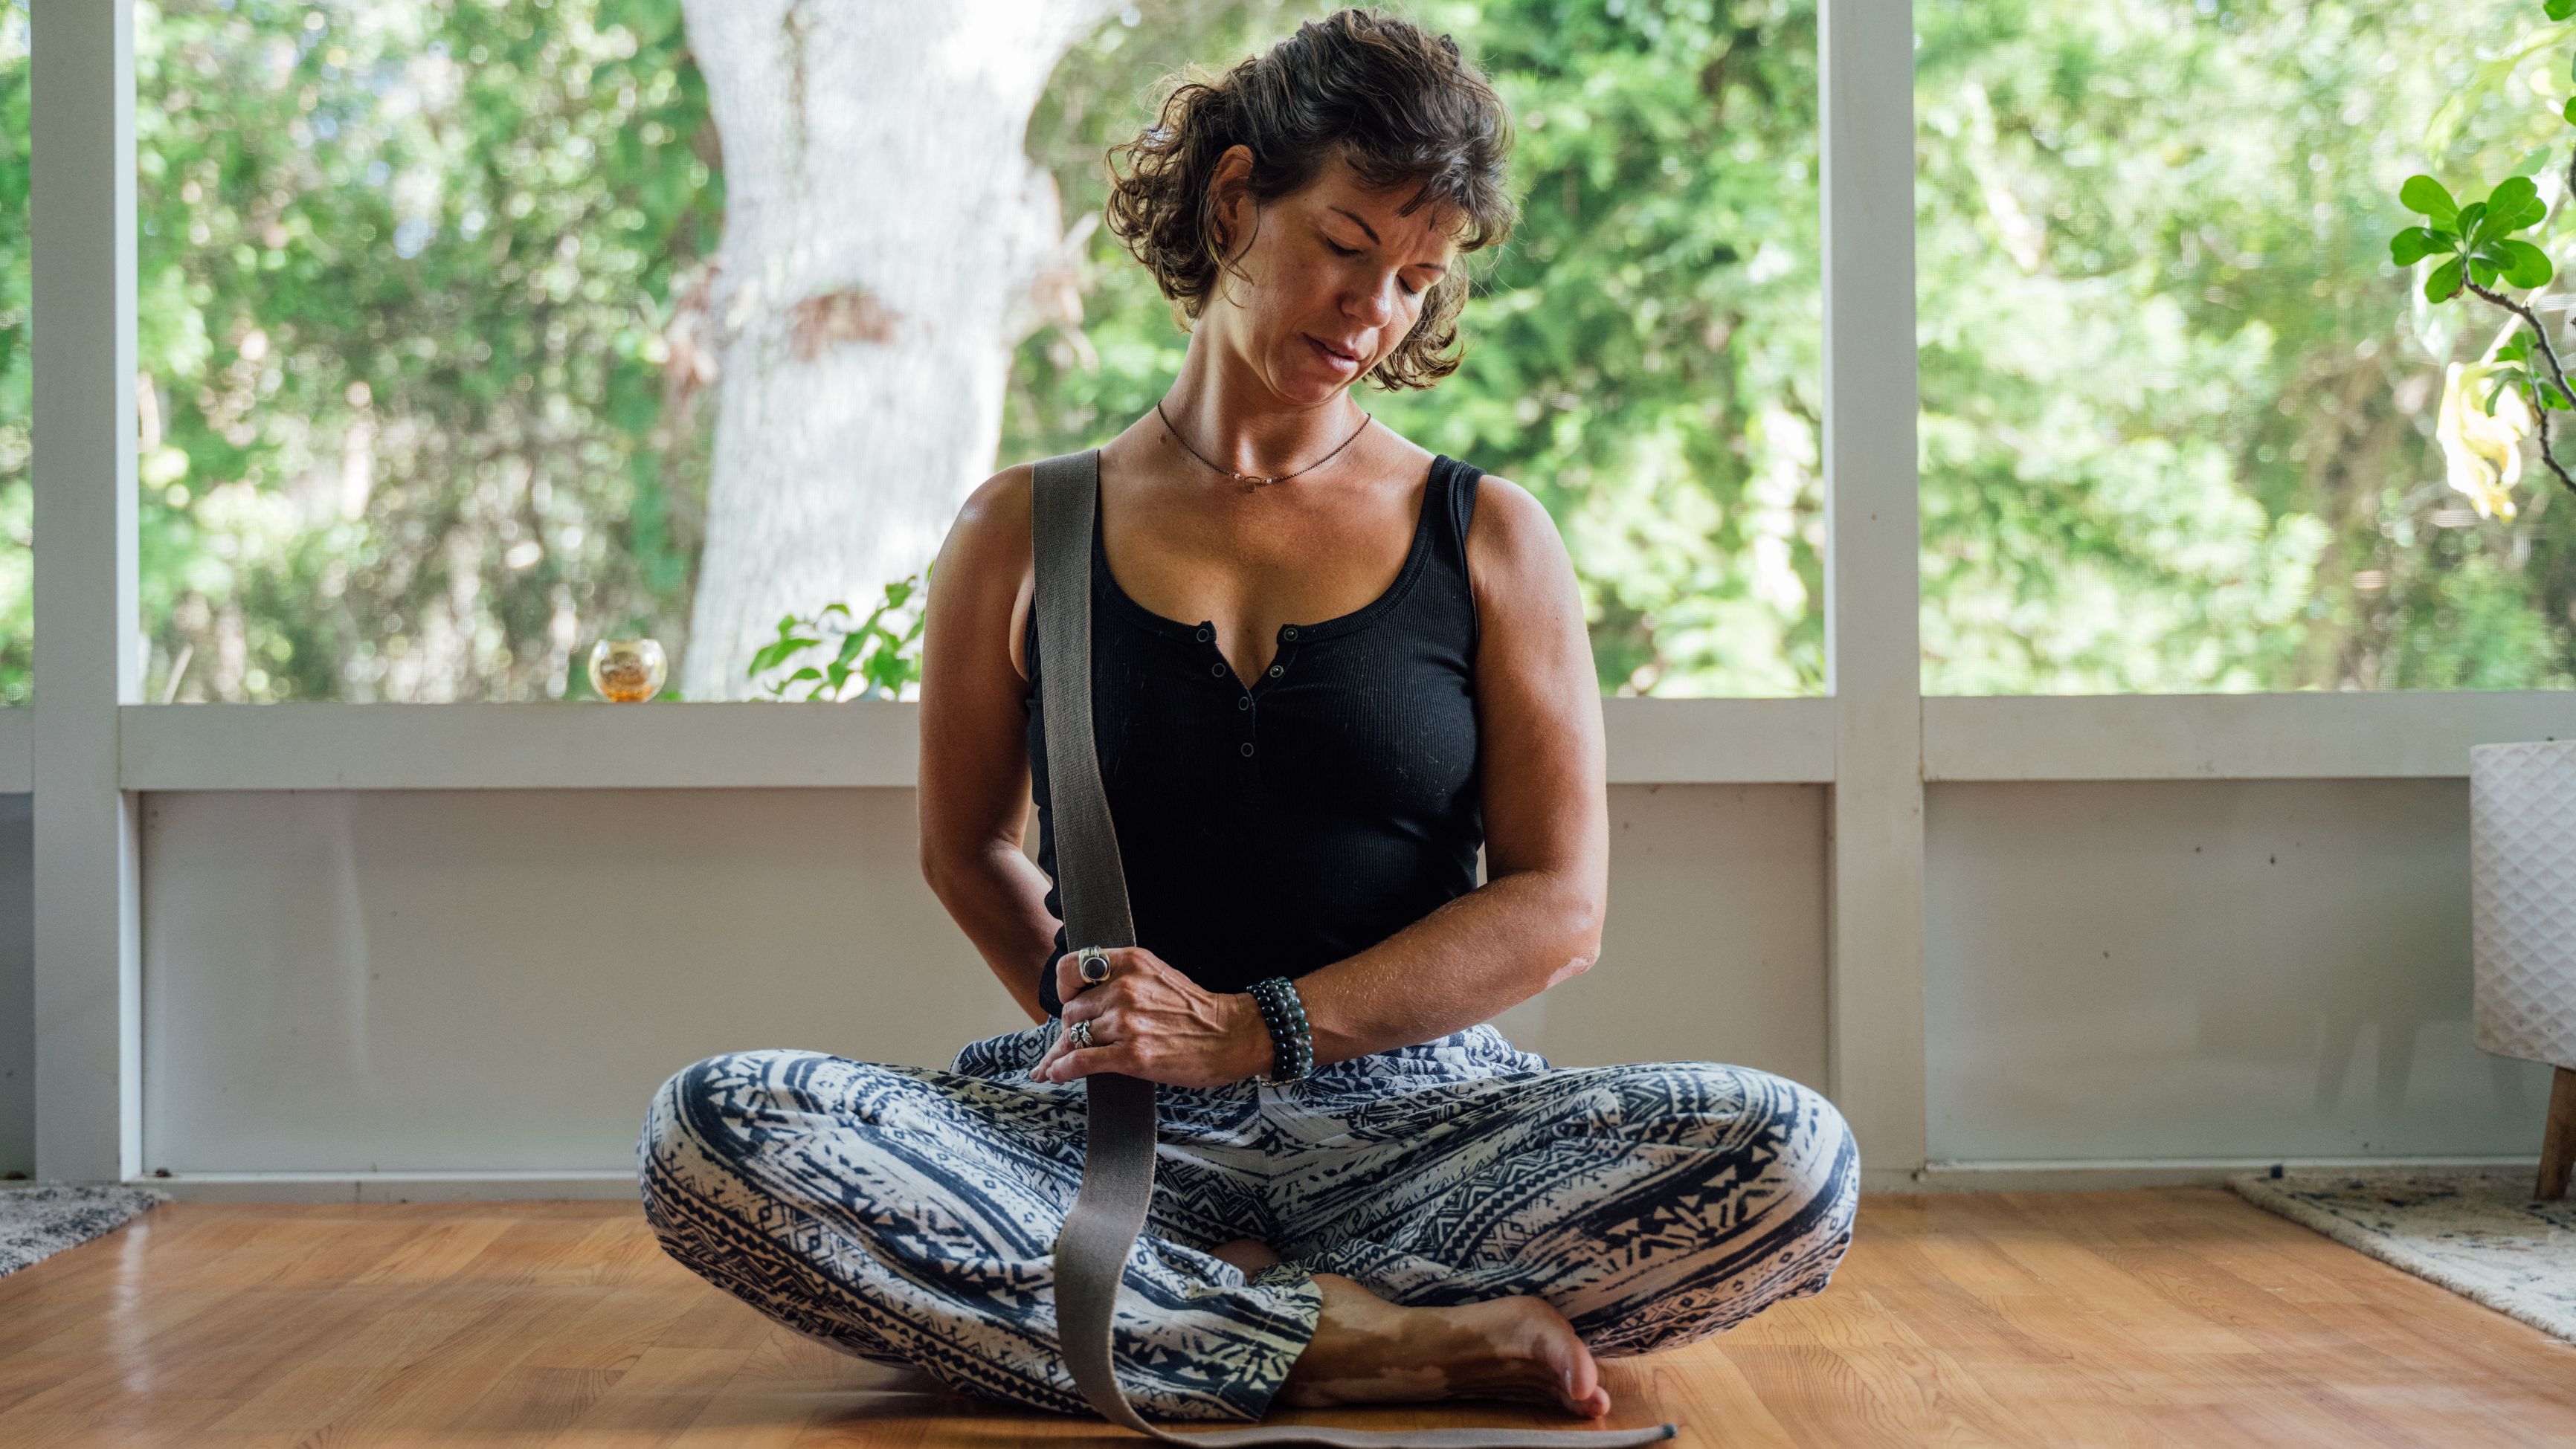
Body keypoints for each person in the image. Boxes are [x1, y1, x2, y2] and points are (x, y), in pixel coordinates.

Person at [638, 6, 1858, 1427]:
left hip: (1423, 1126)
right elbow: (967, 843)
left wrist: (1256, 1027)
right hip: (1116, 1127)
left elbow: (1558, 906)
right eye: (1347, 245)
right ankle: (1345, 1336)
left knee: (1794, 1155)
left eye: (1415, 278)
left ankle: (1157, 1303)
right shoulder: (1022, 529)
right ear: (1234, 198)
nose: (1374, 309)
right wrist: (1098, 1017)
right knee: (714, 1129)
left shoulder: (1489, 536)